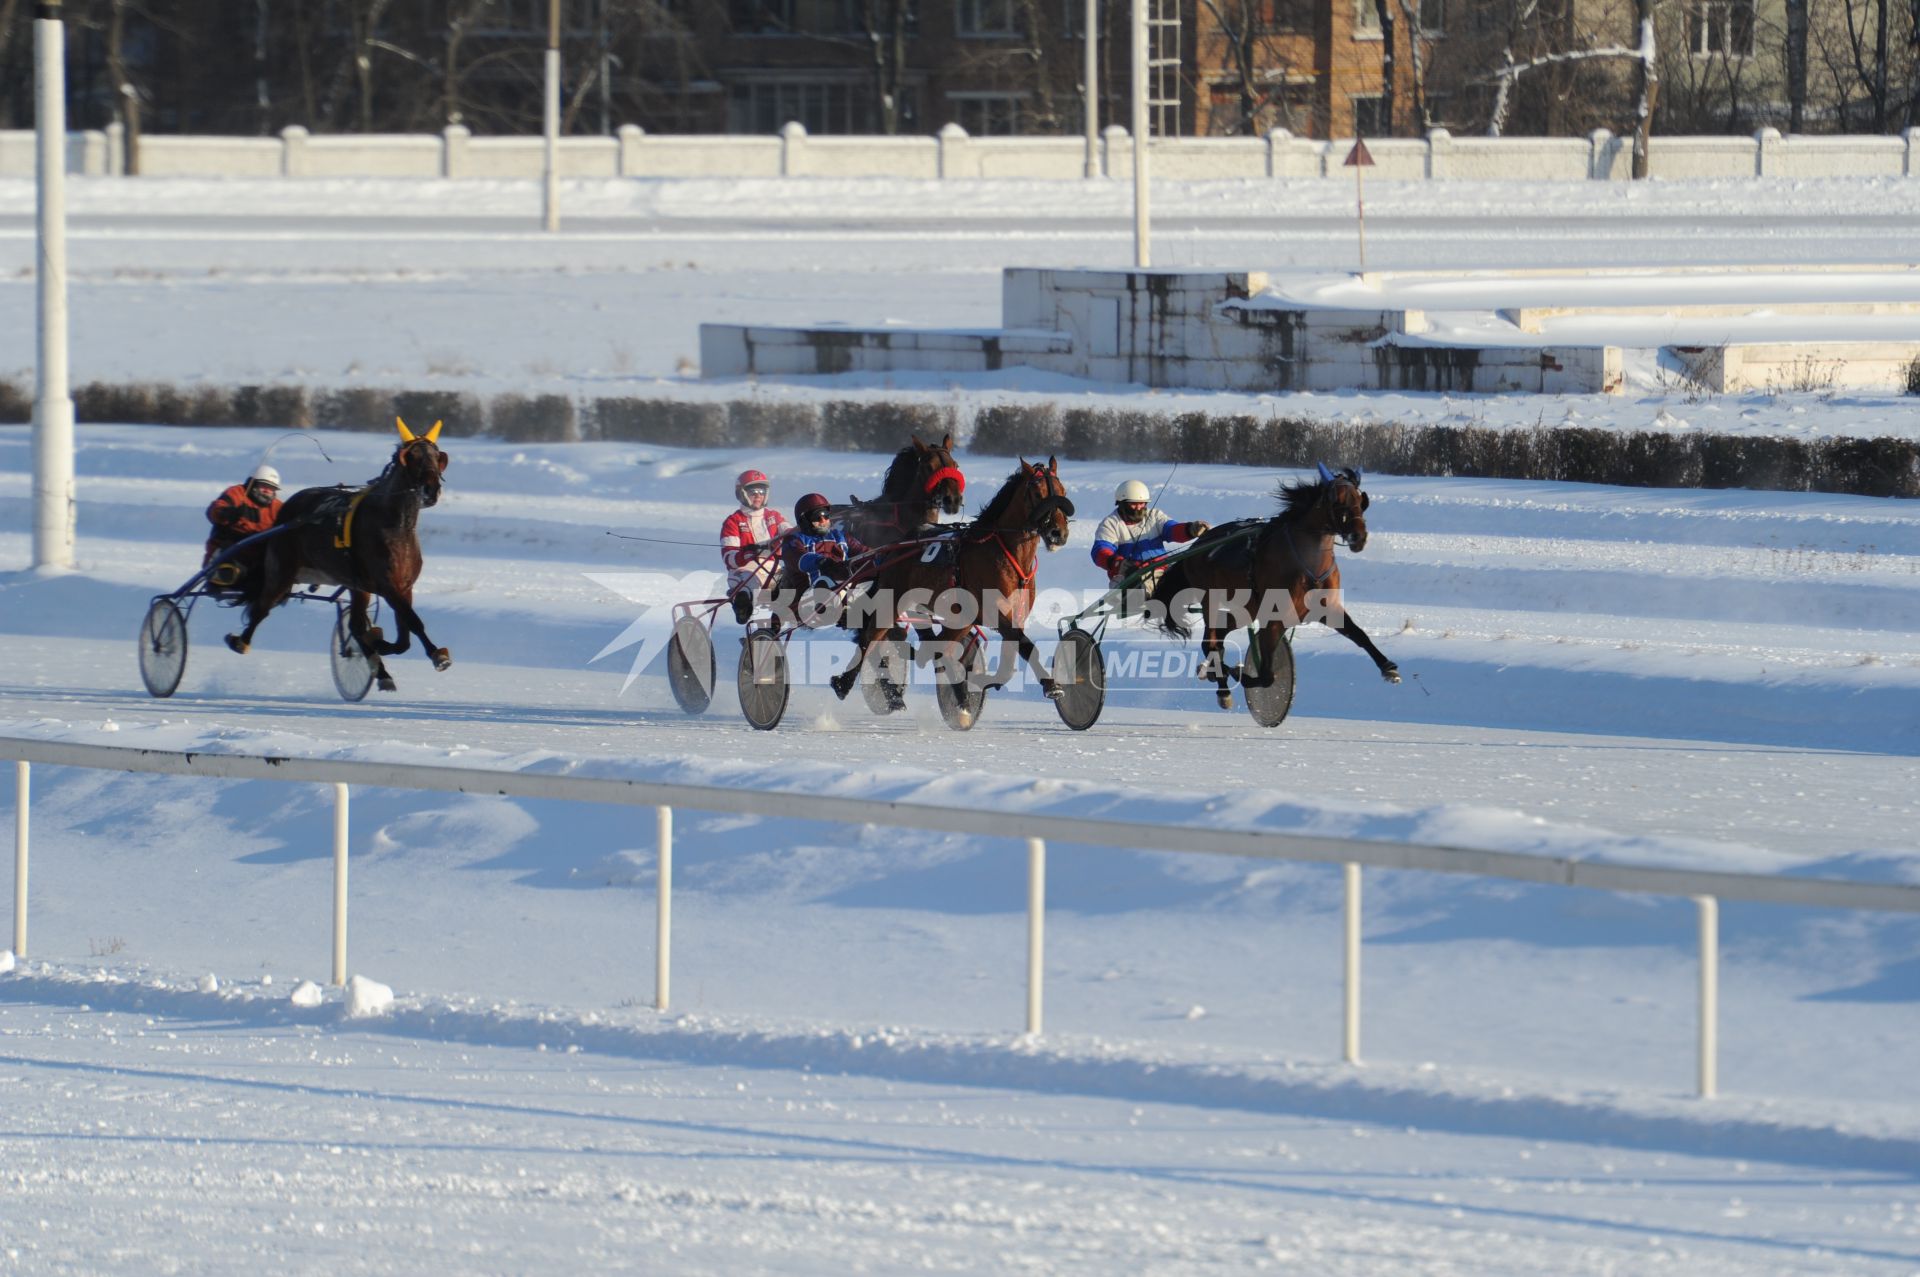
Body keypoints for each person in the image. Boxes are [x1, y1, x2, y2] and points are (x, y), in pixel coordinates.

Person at [1090, 479, 1209, 587]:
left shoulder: (1155, 516)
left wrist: (1190, 529)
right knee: (1143, 588)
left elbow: (1172, 529)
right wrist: (1117, 563)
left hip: (1162, 571)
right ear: (1121, 503)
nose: (1138, 508)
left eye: (1142, 503)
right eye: (1133, 504)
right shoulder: (1110, 524)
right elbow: (1100, 551)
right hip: (1131, 577)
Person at [721, 468, 788, 623]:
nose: (758, 495)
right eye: (753, 491)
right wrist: (748, 553)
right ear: (742, 493)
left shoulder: (774, 517)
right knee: (750, 583)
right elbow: (729, 558)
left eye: (762, 491)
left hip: (774, 571)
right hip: (745, 572)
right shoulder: (733, 521)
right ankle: (743, 607)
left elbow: (788, 531)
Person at [203, 463, 283, 584]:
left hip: (260, 555)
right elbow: (214, 510)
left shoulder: (277, 507)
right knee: (229, 565)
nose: (267, 491)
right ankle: (221, 575)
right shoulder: (237, 493)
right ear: (252, 483)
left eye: (271, 489)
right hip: (232, 550)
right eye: (263, 486)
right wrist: (225, 513)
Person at [782, 492, 867, 594]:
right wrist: (822, 562)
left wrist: (882, 555)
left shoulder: (841, 537)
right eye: (817, 517)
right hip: (807, 598)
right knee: (825, 583)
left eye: (826, 516)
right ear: (805, 521)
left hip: (844, 592)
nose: (823, 521)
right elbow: (799, 558)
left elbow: (864, 552)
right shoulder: (793, 541)